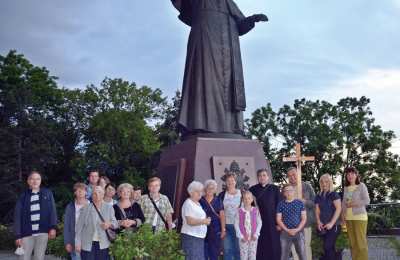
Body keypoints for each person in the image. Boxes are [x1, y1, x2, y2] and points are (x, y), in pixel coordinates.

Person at [171, 0, 268, 135]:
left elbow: (240, 25)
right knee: (204, 78)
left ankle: (231, 127)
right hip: (205, 36)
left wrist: (252, 19)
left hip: (228, 47)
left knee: (229, 88)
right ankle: (200, 123)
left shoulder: (228, 2)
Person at [13, 171, 58, 260]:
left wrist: (53, 227)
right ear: (28, 181)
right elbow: (17, 216)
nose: (35, 181)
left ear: (40, 181)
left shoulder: (47, 193)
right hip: (26, 234)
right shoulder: (23, 196)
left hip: (43, 233)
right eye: (32, 179)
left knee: (39, 258)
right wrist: (18, 235)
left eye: (38, 179)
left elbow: (52, 211)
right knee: (23, 258)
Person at [75, 186, 118, 260]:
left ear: (103, 194)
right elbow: (78, 228)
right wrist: (77, 243)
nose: (97, 195)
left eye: (99, 193)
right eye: (95, 193)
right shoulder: (85, 208)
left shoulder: (109, 207)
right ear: (92, 195)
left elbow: (115, 223)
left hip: (103, 244)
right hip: (87, 244)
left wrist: (109, 224)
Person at [249, 169, 281, 260]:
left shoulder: (274, 189)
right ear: (257, 178)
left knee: (274, 244)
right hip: (258, 222)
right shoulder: (252, 189)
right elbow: (250, 207)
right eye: (260, 175)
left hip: (272, 222)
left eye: (264, 175)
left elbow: (279, 206)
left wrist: (278, 223)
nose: (262, 177)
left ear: (268, 177)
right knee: (261, 244)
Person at [287, 167, 315, 260]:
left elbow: (315, 203)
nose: (292, 177)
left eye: (294, 174)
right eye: (289, 176)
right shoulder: (286, 189)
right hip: (292, 225)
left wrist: (305, 201)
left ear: (298, 174)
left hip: (305, 223)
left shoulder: (306, 186)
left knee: (306, 247)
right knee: (295, 249)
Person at [342, 167, 370, 260]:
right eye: (348, 174)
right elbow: (343, 204)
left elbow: (367, 200)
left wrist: (354, 204)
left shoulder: (361, 186)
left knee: (360, 243)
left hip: (360, 218)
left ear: (356, 175)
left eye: (352, 173)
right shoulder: (346, 188)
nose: (350, 176)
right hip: (349, 219)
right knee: (353, 244)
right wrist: (343, 218)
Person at [181, 181, 211, 260]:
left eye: (201, 191)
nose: (200, 193)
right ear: (191, 192)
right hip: (191, 237)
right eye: (197, 191)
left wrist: (206, 220)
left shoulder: (198, 204)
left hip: (198, 237)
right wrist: (204, 221)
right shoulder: (188, 203)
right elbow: (190, 221)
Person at [315, 174, 342, 260]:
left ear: (330, 182)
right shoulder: (318, 196)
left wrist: (331, 223)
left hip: (334, 226)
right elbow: (317, 210)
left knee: (327, 246)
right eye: (322, 182)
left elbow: (338, 209)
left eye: (326, 182)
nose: (324, 184)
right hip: (323, 226)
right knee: (328, 248)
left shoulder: (334, 194)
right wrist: (318, 222)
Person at [277, 184, 307, 260]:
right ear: (283, 193)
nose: (288, 192)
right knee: (284, 255)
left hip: (299, 232)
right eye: (286, 191)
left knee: (302, 254)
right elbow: (278, 219)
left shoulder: (300, 203)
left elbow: (304, 218)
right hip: (285, 233)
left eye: (290, 190)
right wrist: (287, 230)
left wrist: (297, 229)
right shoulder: (280, 204)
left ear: (293, 192)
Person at [199, 179, 225, 260]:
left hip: (216, 230)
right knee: (204, 253)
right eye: (208, 188)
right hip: (202, 229)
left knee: (214, 254)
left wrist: (223, 230)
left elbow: (222, 215)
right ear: (205, 189)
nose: (210, 190)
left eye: (212, 188)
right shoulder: (200, 200)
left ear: (215, 190)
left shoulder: (218, 200)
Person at [218, 173, 241, 260]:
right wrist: (222, 228)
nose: (230, 182)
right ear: (225, 182)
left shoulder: (242, 193)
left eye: (232, 180)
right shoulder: (221, 195)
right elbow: (219, 211)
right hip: (226, 226)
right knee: (227, 250)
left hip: (239, 226)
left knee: (238, 250)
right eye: (228, 180)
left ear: (235, 182)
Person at [234, 190, 262, 260]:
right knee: (243, 256)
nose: (247, 200)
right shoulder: (239, 211)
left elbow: (259, 223)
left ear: (252, 199)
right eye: (245, 198)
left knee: (252, 255)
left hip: (253, 237)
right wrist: (240, 236)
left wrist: (256, 234)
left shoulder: (256, 210)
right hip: (243, 237)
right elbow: (236, 224)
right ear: (242, 200)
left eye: (249, 198)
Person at [64, 183, 89, 260]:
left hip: (89, 240)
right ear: (75, 193)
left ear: (86, 192)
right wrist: (67, 242)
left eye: (82, 190)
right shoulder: (70, 207)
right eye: (78, 190)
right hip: (74, 240)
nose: (80, 192)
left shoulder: (91, 205)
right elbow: (66, 226)